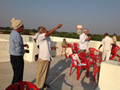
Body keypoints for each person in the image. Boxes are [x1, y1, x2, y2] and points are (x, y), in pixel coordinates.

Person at [36, 24, 63, 89]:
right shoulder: (40, 36)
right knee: (40, 73)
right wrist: (56, 27)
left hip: (47, 57)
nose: (45, 29)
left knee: (45, 73)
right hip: (43, 58)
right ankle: (38, 86)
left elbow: (45, 46)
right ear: (40, 31)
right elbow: (48, 34)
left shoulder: (48, 37)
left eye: (45, 28)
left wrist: (51, 47)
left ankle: (43, 83)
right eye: (44, 29)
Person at [9, 18, 29, 84]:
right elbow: (18, 50)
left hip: (13, 57)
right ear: (18, 27)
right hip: (17, 59)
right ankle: (14, 88)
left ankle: (18, 87)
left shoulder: (13, 32)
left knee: (17, 75)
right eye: (22, 26)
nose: (23, 27)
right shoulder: (17, 35)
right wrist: (25, 51)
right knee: (18, 76)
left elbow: (15, 44)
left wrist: (23, 45)